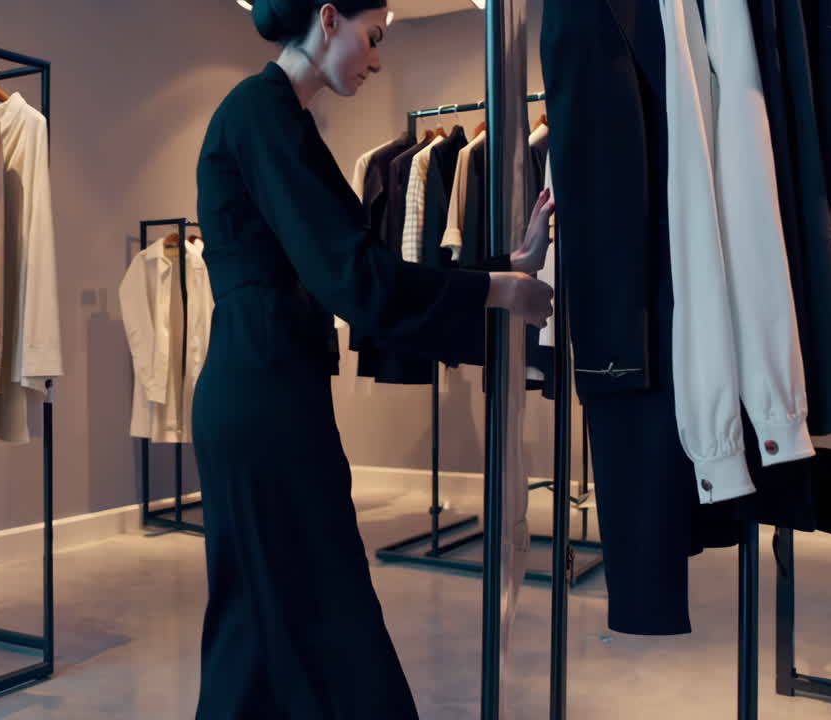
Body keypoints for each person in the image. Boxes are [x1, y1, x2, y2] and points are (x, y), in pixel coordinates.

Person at [191, 0, 555, 717]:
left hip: (265, 388)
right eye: (374, 37)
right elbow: (355, 279)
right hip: (263, 401)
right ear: (329, 19)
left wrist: (500, 269)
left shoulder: (278, 117)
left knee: (266, 625)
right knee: (321, 616)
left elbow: (361, 268)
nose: (378, 58)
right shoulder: (261, 114)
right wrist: (496, 289)